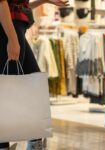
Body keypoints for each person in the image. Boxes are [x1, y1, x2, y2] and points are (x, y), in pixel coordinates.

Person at [0, 0, 68, 150]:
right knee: (7, 92)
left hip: (16, 30)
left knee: (35, 88)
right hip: (9, 30)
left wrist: (45, 1)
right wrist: (12, 39)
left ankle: (35, 142)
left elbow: (20, 6)